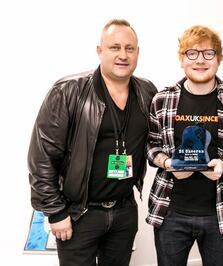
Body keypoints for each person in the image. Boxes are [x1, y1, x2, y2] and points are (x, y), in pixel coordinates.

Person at [27, 19, 157, 266]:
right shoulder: (68, 91)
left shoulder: (147, 92)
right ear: (100, 51)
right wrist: (55, 212)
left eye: (129, 48)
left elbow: (161, 139)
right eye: (114, 47)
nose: (123, 55)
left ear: (138, 52)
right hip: (78, 215)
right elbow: (41, 157)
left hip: (124, 212)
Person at [145, 25, 223, 266]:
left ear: (219, 58)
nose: (200, 60)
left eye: (208, 53)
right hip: (170, 211)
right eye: (192, 53)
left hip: (221, 211)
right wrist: (168, 163)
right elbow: (151, 146)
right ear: (182, 59)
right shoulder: (161, 101)